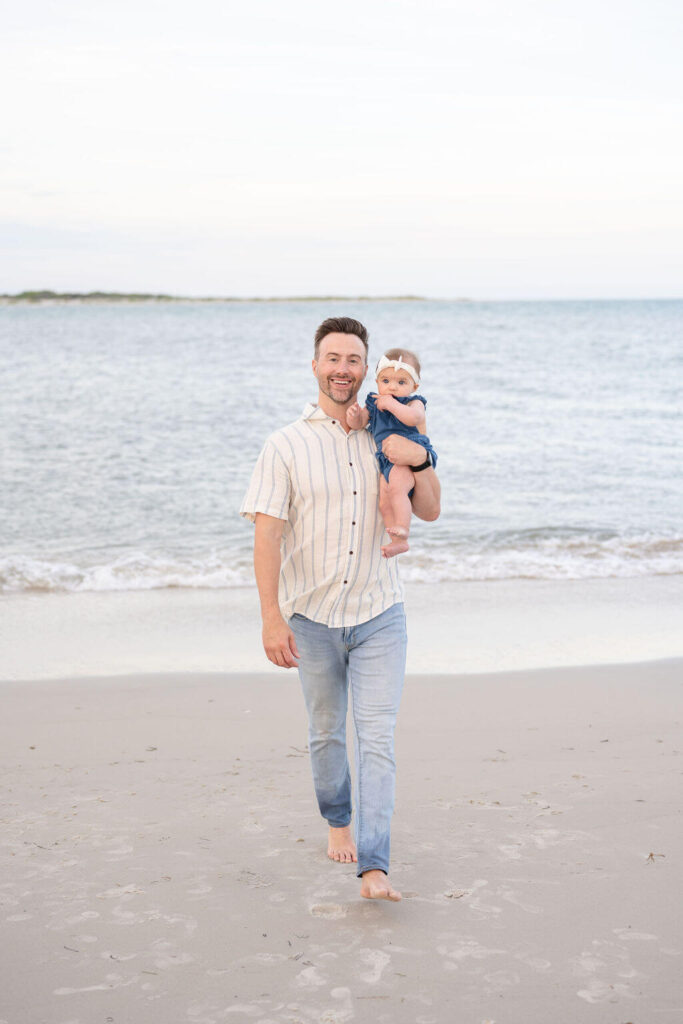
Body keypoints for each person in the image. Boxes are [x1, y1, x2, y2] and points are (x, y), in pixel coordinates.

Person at [240, 316, 440, 901]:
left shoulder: (385, 428)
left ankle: (374, 865)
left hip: (381, 613)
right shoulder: (285, 445)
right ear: (315, 366)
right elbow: (266, 536)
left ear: (368, 366)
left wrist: (422, 462)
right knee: (327, 733)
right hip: (313, 619)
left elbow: (429, 510)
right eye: (333, 358)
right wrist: (271, 618)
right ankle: (337, 821)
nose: (343, 369)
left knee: (376, 737)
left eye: (354, 359)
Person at [347, 347, 437, 557]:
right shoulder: (375, 403)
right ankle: (396, 540)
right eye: (385, 381)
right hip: (386, 458)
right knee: (384, 500)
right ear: (377, 381)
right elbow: (362, 423)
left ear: (414, 385)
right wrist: (355, 417)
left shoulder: (414, 403)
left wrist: (392, 405)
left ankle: (404, 532)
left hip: (407, 455)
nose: (392, 387)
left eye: (401, 382)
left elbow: (414, 419)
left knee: (397, 489)